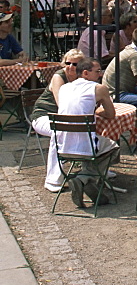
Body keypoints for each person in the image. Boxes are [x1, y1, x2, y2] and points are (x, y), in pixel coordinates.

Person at [56, 57, 119, 209]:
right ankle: (86, 178)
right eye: (97, 71)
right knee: (113, 147)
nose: (100, 74)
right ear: (85, 73)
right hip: (86, 146)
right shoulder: (98, 88)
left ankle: (88, 180)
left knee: (92, 140)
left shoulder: (64, 88)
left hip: (62, 146)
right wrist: (98, 110)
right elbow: (111, 114)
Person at [31, 49, 84, 193]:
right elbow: (62, 105)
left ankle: (95, 169)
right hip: (43, 116)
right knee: (60, 130)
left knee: (94, 125)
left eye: (75, 64)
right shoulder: (59, 77)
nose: (71, 66)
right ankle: (53, 179)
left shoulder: (83, 78)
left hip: (67, 117)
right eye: (68, 63)